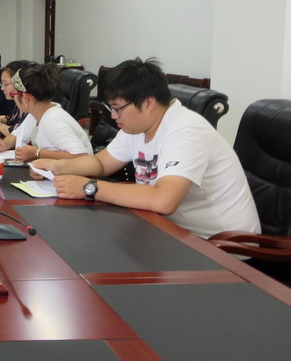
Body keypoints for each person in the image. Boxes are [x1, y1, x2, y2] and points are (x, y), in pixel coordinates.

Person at [33, 58, 261, 239]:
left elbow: (164, 200)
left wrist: (89, 187)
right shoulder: (137, 127)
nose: (114, 116)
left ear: (149, 103)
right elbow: (101, 163)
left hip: (221, 246)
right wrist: (59, 166)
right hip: (169, 230)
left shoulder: (185, 131)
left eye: (118, 108)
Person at [4, 63, 93, 163]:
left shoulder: (53, 120)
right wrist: (4, 144)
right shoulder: (36, 114)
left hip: (78, 171)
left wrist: (37, 153)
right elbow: (18, 135)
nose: (14, 98)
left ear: (25, 98)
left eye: (14, 93)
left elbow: (81, 155)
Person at [0, 59, 36, 152]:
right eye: (2, 84)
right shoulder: (19, 104)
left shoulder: (33, 110)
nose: (2, 88)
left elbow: (17, 131)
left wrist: (0, 126)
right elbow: (16, 130)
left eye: (6, 84)